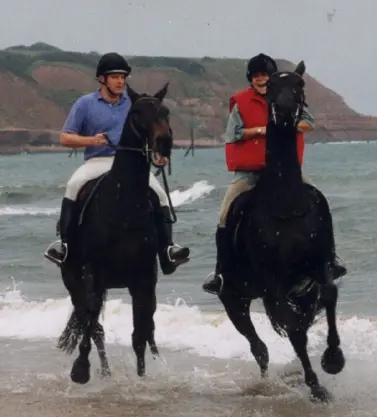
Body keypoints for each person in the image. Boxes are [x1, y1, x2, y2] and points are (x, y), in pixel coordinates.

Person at [202, 53, 346, 295]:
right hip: (250, 174)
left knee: (319, 200)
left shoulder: (286, 97)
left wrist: (286, 123)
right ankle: (221, 272)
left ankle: (330, 259)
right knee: (226, 212)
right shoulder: (241, 102)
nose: (260, 80)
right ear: (251, 79)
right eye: (256, 76)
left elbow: (308, 123)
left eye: (265, 76)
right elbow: (234, 133)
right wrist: (262, 129)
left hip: (285, 172)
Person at [43, 52, 190, 275]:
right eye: (115, 77)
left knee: (159, 193)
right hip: (98, 161)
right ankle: (64, 245)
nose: (121, 81)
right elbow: (65, 137)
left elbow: (150, 132)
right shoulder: (85, 104)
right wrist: (90, 140)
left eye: (123, 77)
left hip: (130, 163)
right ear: (102, 79)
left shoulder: (134, 105)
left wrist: (158, 154)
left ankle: (168, 249)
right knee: (73, 186)